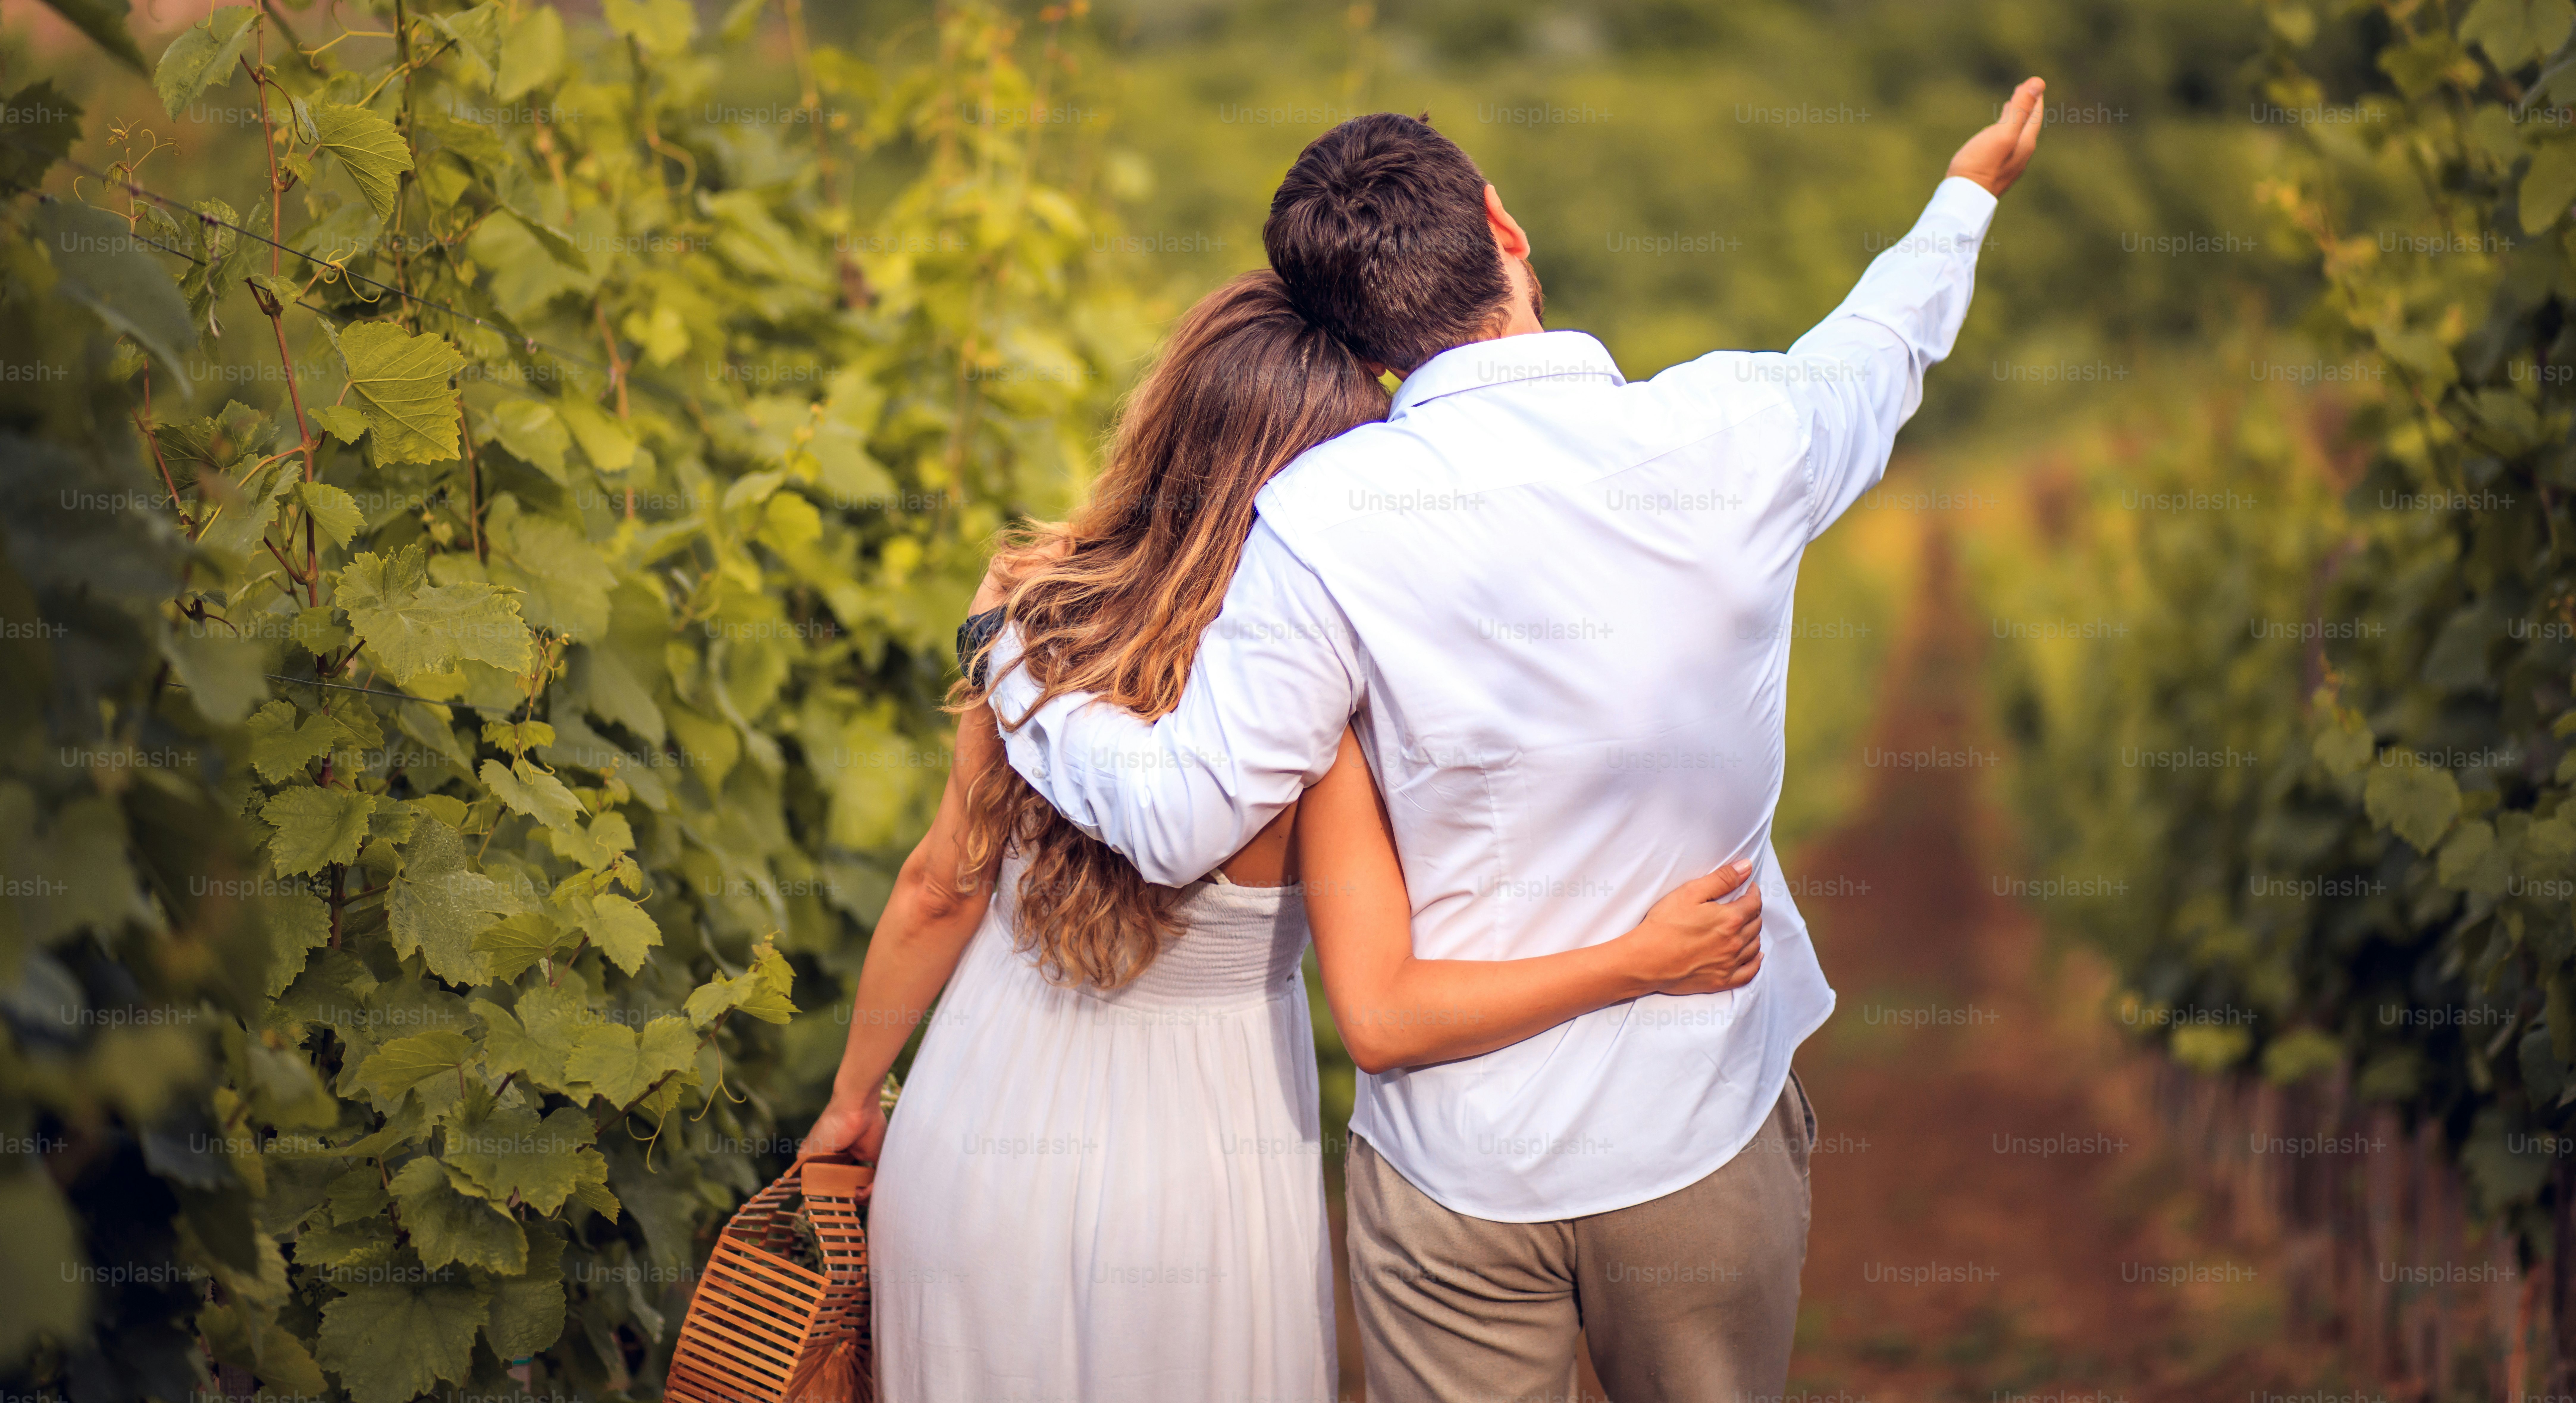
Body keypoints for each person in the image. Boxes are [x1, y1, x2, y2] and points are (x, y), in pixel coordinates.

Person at [977, 86, 2047, 1402]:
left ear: (1354, 340)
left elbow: (1180, 814)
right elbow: (1872, 352)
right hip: (1695, 1128)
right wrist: (1962, 199)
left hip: (1453, 1177)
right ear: (1503, 226)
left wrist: (1010, 671)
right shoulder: (1728, 430)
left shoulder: (1315, 518)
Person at [799, 270, 1772, 1402]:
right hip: (1206, 1169)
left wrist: (852, 1101)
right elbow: (1390, 1005)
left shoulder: (1031, 608)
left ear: (1169, 426)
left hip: (977, 1136)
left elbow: (937, 888)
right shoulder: (1328, 721)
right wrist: (1636, 957)